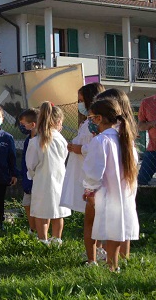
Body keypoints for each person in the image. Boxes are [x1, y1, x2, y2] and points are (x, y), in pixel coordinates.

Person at [83, 98, 140, 272]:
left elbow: (94, 171)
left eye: (91, 118)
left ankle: (112, 267)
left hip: (107, 192)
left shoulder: (101, 141)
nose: (90, 122)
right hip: (124, 193)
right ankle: (114, 266)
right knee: (118, 229)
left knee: (110, 229)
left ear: (99, 118)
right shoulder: (126, 140)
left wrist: (89, 190)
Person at [60, 84, 106, 263]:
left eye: (81, 100)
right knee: (93, 216)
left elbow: (96, 146)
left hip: (93, 178)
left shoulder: (96, 124)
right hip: (87, 175)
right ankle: (96, 250)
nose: (79, 104)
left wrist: (79, 148)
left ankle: (95, 253)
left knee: (93, 218)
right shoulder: (87, 122)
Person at [95, 88, 138, 260]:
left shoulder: (110, 135)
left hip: (112, 185)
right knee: (124, 219)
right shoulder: (124, 131)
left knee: (112, 223)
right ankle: (122, 259)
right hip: (125, 184)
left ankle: (111, 259)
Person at [26, 102, 70, 246]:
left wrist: (32, 174)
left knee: (41, 213)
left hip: (42, 182)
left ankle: (43, 241)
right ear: (58, 121)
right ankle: (57, 240)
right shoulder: (61, 140)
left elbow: (31, 164)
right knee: (58, 212)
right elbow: (64, 157)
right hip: (60, 180)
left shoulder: (35, 141)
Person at [17, 108, 39, 236]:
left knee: (37, 206)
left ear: (33, 124)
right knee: (27, 204)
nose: (21, 126)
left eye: (23, 123)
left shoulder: (40, 139)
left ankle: (40, 231)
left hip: (37, 178)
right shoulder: (28, 139)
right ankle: (33, 228)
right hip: (27, 177)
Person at [136, 91, 156, 186]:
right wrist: (153, 123)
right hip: (153, 150)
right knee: (141, 182)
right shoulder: (147, 102)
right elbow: (140, 126)